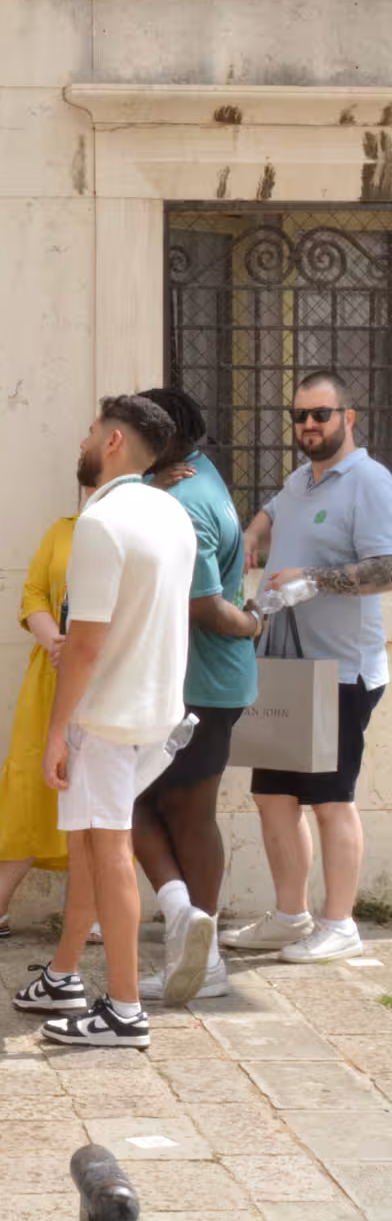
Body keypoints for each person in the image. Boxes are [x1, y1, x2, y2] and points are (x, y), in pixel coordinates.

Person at [13, 397, 191, 1049]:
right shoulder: (170, 512)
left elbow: (84, 645)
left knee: (108, 852)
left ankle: (123, 1008)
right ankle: (64, 974)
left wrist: (58, 731)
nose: (82, 441)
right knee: (91, 844)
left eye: (90, 430)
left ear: (113, 441)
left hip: (108, 715)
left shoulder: (102, 521)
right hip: (154, 711)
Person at [223, 371, 392, 964]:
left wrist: (312, 580)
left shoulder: (370, 483)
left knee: (330, 799)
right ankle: (291, 916)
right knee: (272, 796)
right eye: (299, 416)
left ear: (351, 416)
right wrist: (255, 529)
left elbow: (388, 567)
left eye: (321, 414)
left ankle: (340, 923)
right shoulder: (303, 479)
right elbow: (278, 508)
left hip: (341, 672)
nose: (309, 425)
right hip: (288, 671)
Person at [131, 387, 260, 1004]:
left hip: (200, 685)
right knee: (146, 806)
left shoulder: (183, 498)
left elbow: (205, 607)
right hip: (194, 682)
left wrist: (252, 622)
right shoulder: (190, 480)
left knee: (176, 811)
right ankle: (187, 927)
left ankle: (198, 952)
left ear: (165, 440)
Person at [0, 504, 79, 942]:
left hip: (105, 682)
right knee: (28, 787)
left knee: (100, 789)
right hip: (50, 677)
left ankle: (95, 907)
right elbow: (33, 595)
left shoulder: (133, 525)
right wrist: (56, 642)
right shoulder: (61, 529)